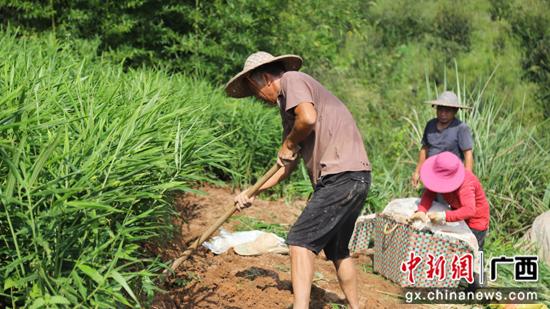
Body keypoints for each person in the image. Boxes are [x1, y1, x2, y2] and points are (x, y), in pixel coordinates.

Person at [225, 51, 371, 309]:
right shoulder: (288, 109)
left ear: (266, 78)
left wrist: (290, 142)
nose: (259, 98)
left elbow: (308, 119)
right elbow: (286, 164)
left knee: (300, 240)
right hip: (354, 177)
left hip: (340, 175)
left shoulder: (292, 79)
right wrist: (252, 192)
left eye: (256, 91)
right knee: (337, 250)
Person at [410, 151, 490, 289]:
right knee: (457, 252)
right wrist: (422, 211)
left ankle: (478, 287)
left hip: (476, 222)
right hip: (459, 218)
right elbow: (429, 192)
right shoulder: (438, 179)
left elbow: (470, 210)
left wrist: (443, 216)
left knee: (473, 255)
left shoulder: (466, 183)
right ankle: (457, 282)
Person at [411, 91, 474, 189]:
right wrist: (417, 171)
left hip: (451, 175)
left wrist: (467, 179)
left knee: (445, 202)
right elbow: (424, 148)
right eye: (440, 110)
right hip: (431, 173)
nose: (443, 114)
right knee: (429, 200)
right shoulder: (430, 125)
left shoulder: (461, 128)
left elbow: (468, 154)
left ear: (455, 111)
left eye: (447, 111)